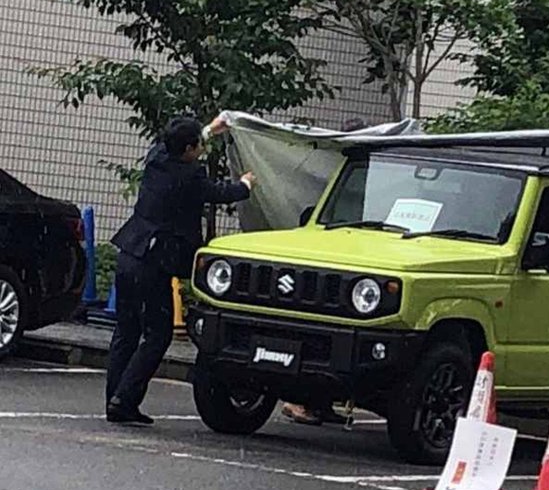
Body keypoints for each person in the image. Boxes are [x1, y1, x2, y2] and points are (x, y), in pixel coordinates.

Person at [106, 116, 255, 424]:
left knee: (126, 330)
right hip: (154, 263)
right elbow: (219, 192)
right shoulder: (189, 177)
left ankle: (115, 397)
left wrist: (210, 131)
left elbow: (172, 144)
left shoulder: (157, 158)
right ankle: (124, 400)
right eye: (199, 146)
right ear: (188, 150)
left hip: (129, 252)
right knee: (158, 335)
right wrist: (245, 185)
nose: (201, 149)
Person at [280, 115, 366, 427]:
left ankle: (319, 403)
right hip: (329, 268)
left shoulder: (354, 169)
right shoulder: (346, 171)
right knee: (314, 340)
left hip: (345, 268)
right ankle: (299, 401)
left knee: (325, 343)